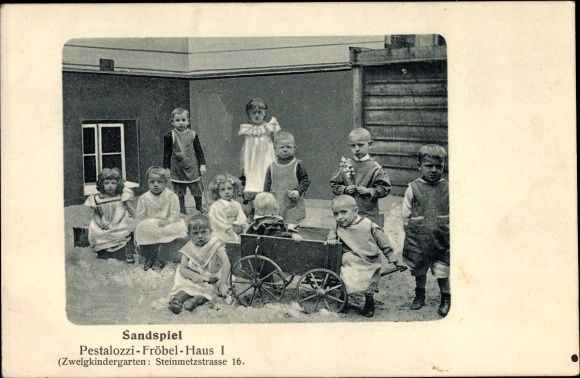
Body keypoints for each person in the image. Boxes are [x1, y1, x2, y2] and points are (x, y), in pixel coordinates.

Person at [327, 195, 406, 317]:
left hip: (369, 261)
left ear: (355, 211)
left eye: (343, 212)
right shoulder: (339, 226)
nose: (340, 217)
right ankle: (344, 298)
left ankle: (369, 302)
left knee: (369, 283)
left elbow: (384, 243)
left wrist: (394, 260)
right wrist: (331, 238)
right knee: (346, 275)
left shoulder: (368, 225)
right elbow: (333, 230)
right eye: (336, 214)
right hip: (351, 261)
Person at [402, 144, 450, 316]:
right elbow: (406, 214)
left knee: (443, 272)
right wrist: (411, 231)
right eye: (429, 166)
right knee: (419, 270)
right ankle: (419, 296)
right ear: (419, 165)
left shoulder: (448, 188)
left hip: (442, 239)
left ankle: (446, 299)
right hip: (419, 239)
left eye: (439, 166)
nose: (434, 170)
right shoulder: (413, 188)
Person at [168, 214, 231, 315]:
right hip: (194, 277)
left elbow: (226, 264)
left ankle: (195, 300)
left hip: (211, 276)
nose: (200, 236)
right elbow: (183, 269)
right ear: (189, 235)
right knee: (186, 286)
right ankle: (178, 299)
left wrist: (223, 284)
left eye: (203, 232)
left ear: (210, 231)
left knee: (208, 290)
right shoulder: (189, 247)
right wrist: (194, 276)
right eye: (195, 233)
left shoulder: (215, 244)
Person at [329, 128, 391, 225]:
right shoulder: (345, 165)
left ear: (369, 144)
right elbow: (334, 185)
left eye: (360, 145)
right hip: (347, 214)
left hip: (368, 213)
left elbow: (385, 188)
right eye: (353, 146)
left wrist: (369, 191)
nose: (357, 149)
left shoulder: (375, 168)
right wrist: (345, 189)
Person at [134, 166, 188, 271]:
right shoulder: (144, 198)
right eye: (152, 182)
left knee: (175, 229)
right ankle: (151, 256)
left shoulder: (171, 196)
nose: (156, 185)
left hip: (169, 222)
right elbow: (140, 216)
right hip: (151, 223)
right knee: (145, 228)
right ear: (147, 182)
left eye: (159, 182)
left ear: (165, 182)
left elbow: (175, 213)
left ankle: (160, 258)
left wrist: (168, 221)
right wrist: (141, 225)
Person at [238, 98, 281, 220]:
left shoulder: (269, 127)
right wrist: (243, 163)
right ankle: (254, 210)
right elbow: (245, 149)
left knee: (265, 181)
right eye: (253, 113)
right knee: (252, 182)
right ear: (249, 114)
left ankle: (269, 210)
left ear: (265, 113)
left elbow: (275, 142)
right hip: (252, 162)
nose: (257, 115)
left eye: (260, 112)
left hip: (266, 159)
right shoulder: (248, 129)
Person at [84, 168, 136, 262]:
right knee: (96, 231)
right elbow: (96, 215)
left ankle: (127, 251)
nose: (110, 186)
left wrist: (137, 217)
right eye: (106, 183)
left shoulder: (122, 196)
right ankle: (103, 251)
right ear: (101, 184)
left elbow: (129, 208)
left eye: (113, 183)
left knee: (128, 227)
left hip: (120, 220)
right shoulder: (97, 198)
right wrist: (100, 224)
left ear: (118, 184)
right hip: (105, 221)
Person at [163, 108, 207, 216]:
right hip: (178, 169)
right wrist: (166, 168)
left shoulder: (193, 135)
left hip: (192, 168)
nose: (181, 123)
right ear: (172, 122)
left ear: (188, 121)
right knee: (179, 190)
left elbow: (199, 151)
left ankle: (199, 207)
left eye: (183, 120)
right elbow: (166, 154)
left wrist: (202, 165)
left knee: (197, 189)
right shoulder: (170, 136)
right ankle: (182, 209)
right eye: (178, 120)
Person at [263, 131, 310, 226]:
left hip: (293, 204)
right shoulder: (271, 167)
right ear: (275, 148)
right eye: (282, 147)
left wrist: (298, 191)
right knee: (276, 227)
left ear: (294, 148)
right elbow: (267, 185)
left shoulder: (298, 164)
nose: (285, 150)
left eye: (288, 147)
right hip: (276, 204)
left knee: (292, 227)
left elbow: (305, 180)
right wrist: (265, 200)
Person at [207, 174, 247, 243]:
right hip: (222, 230)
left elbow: (241, 216)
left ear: (234, 189)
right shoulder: (216, 206)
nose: (227, 192)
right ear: (217, 192)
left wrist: (239, 224)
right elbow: (218, 221)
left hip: (236, 227)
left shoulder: (236, 204)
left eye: (229, 188)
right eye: (222, 189)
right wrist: (229, 229)